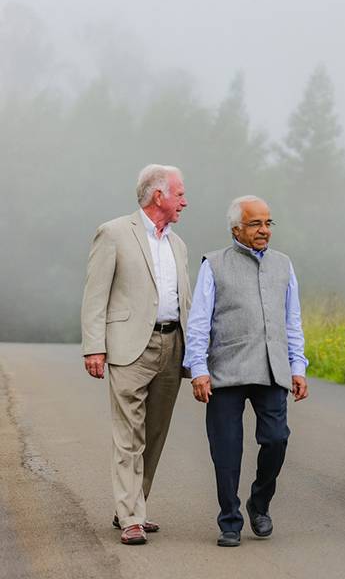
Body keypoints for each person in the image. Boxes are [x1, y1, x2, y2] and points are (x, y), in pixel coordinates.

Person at [183, 195, 309, 547]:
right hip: (225, 370)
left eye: (268, 223)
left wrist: (298, 366)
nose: (264, 230)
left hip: (272, 369)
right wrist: (198, 369)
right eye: (256, 224)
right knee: (226, 449)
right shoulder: (215, 264)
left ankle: (259, 502)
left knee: (276, 439)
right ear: (236, 228)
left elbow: (292, 321)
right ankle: (230, 520)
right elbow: (198, 322)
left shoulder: (284, 265)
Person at [80, 164, 191, 545]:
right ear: (158, 195)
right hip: (129, 347)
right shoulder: (113, 233)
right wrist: (94, 346)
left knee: (155, 434)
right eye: (179, 194)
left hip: (172, 345)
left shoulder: (179, 244)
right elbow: (95, 294)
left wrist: (194, 352)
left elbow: (185, 301)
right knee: (129, 435)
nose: (184, 202)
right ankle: (131, 517)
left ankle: (133, 505)